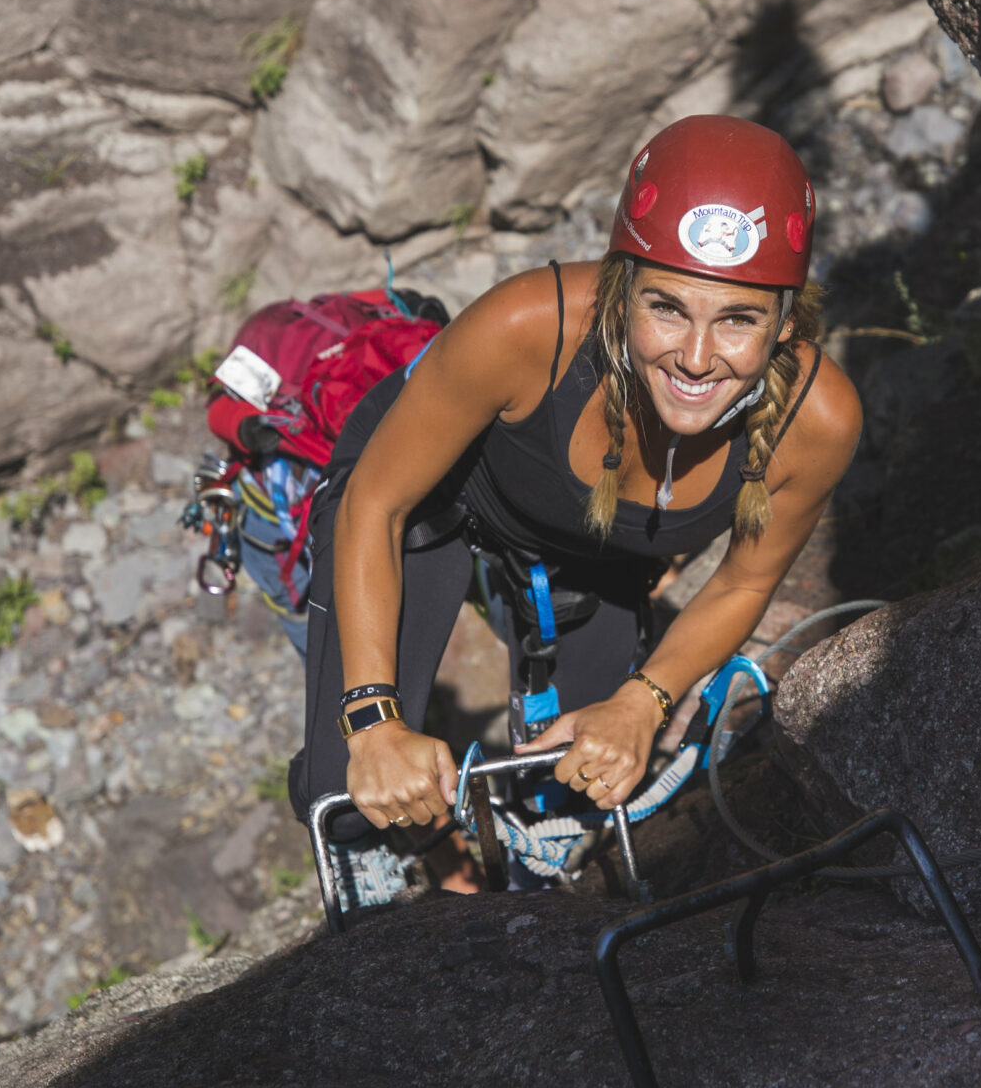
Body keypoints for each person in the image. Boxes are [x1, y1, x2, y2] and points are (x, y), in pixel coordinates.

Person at [288, 114, 862, 891]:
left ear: (786, 321)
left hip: (591, 550)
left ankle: (510, 848)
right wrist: (372, 720)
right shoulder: (529, 329)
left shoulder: (817, 422)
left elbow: (743, 582)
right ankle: (444, 858)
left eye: (737, 319)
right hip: (428, 503)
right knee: (355, 800)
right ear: (623, 290)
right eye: (666, 308)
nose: (695, 358)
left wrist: (645, 703)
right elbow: (377, 505)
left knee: (575, 783)